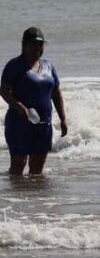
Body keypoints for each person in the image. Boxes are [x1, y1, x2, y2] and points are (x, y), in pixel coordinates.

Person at [1, 27, 68, 176]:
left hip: (44, 125)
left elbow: (56, 94)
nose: (37, 48)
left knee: (37, 167)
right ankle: (14, 197)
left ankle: (35, 199)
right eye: (33, 44)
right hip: (19, 124)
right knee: (19, 165)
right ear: (24, 45)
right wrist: (18, 106)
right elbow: (3, 90)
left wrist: (63, 119)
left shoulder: (49, 67)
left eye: (40, 44)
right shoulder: (14, 66)